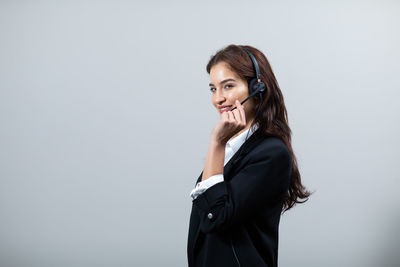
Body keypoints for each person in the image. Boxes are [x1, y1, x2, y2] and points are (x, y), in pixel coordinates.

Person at [187, 44, 312, 267]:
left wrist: (216, 143)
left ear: (256, 88)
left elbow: (214, 217)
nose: (218, 99)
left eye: (228, 86)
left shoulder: (271, 154)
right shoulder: (232, 150)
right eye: (213, 89)